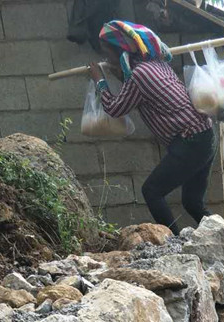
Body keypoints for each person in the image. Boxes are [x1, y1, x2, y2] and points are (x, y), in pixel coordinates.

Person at [89, 20, 216, 233]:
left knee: (152, 191)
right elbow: (138, 91)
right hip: (205, 135)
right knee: (192, 202)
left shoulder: (139, 75)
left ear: (120, 50)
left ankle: (176, 241)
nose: (106, 58)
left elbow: (115, 108)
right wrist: (119, 74)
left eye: (107, 52)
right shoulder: (155, 63)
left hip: (190, 141)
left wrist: (99, 80)